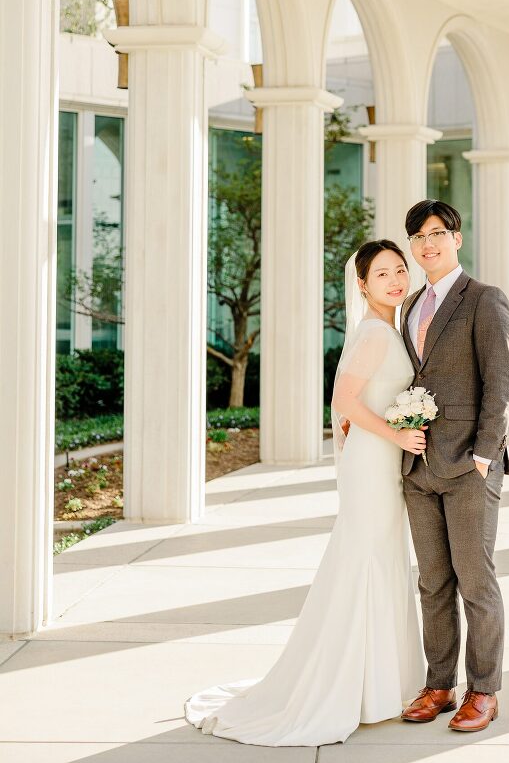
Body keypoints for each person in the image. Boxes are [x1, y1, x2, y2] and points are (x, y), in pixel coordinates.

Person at [184, 239, 425, 747]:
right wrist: (398, 434)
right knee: (366, 561)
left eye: (399, 270)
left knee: (381, 560)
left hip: (381, 457)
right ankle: (352, 688)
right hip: (374, 460)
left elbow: (361, 402)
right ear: (362, 284)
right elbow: (343, 400)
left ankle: (380, 685)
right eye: (382, 274)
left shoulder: (391, 328)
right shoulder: (373, 333)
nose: (395, 280)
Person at [399, 199, 509, 733]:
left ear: (456, 239)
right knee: (433, 584)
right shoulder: (410, 305)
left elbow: (501, 382)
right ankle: (439, 685)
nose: (428, 244)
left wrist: (484, 456)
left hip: (470, 464)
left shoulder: (485, 299)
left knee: (475, 582)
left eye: (437, 233)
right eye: (419, 236)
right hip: (418, 466)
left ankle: (483, 691)